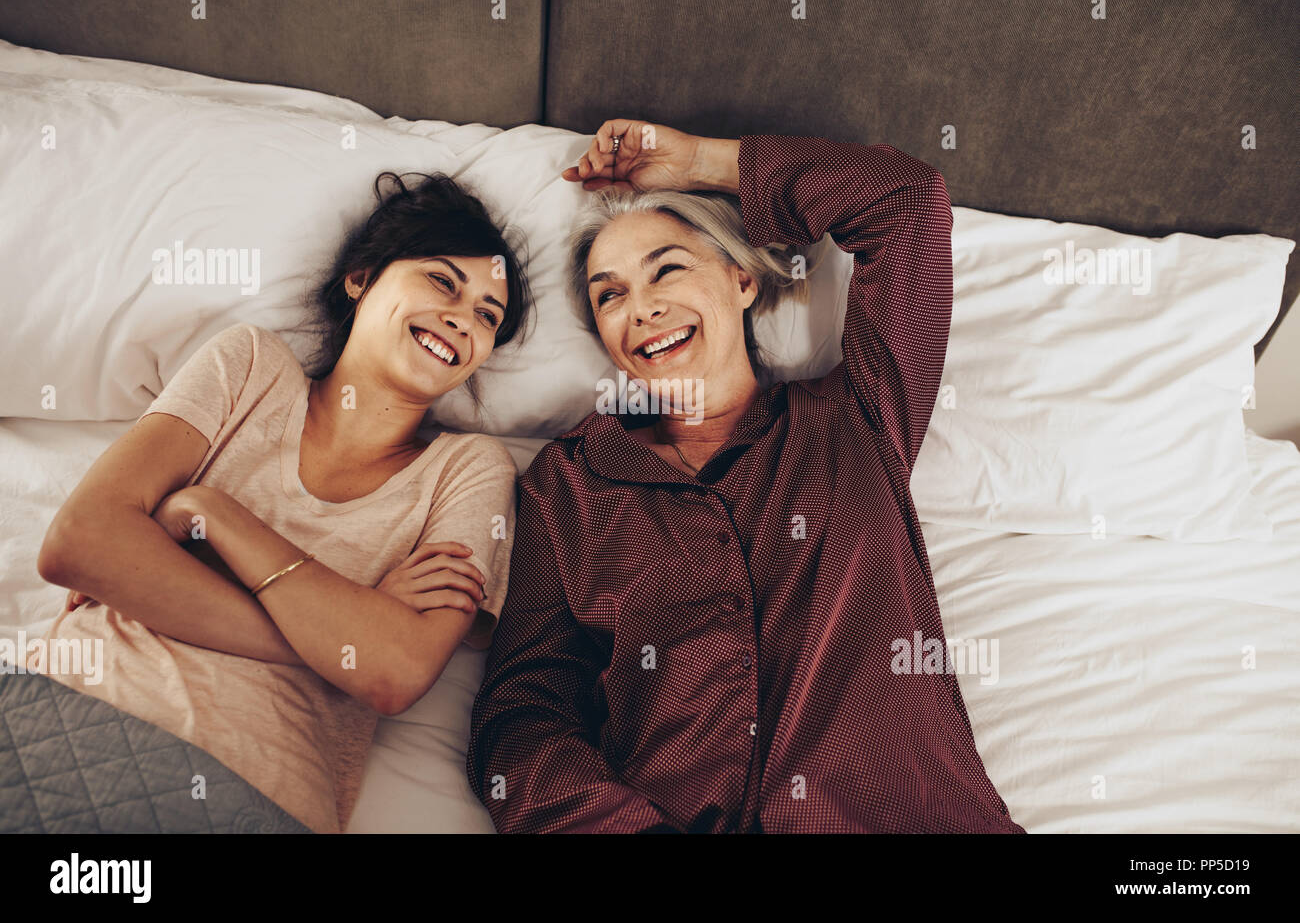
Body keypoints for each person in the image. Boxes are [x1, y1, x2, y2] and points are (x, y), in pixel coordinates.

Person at [466, 120, 1024, 833]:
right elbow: (523, 718)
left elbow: (906, 201)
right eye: (610, 296)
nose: (642, 308)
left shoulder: (855, 418)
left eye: (667, 268)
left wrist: (700, 161)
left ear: (741, 278)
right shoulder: (568, 489)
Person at [31, 171, 530, 834]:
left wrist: (210, 513)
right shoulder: (248, 368)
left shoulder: (467, 471)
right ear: (361, 277)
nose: (463, 318)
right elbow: (78, 543)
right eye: (443, 281)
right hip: (69, 724)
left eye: (487, 316)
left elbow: (393, 671)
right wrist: (343, 631)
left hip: (251, 792)